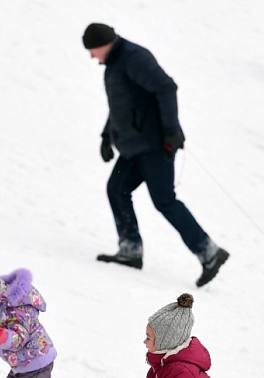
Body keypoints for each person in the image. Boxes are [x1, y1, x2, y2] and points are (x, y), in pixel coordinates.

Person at [82, 23, 229, 288]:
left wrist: (171, 131)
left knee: (164, 201)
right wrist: (107, 135)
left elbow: (166, 88)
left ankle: (209, 252)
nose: (92, 57)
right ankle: (130, 250)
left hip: (155, 144)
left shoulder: (134, 57)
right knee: (116, 189)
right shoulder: (115, 63)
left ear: (104, 43)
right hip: (133, 146)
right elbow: (121, 104)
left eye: (92, 50)